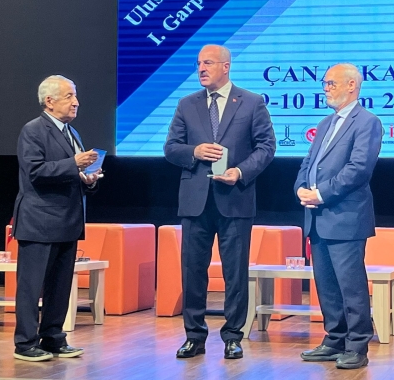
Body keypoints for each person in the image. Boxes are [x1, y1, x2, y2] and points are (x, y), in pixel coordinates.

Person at [164, 44, 276, 360]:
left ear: (225, 66)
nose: (201, 68)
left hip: (235, 199)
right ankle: (194, 336)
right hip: (195, 201)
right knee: (193, 271)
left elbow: (266, 147)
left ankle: (233, 336)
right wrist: (194, 152)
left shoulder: (251, 102)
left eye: (208, 63)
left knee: (235, 272)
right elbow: (171, 148)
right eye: (199, 63)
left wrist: (239, 172)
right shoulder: (187, 104)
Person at [294, 63, 382, 370]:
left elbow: (358, 169)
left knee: (350, 286)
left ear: (352, 86)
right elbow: (309, 163)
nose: (325, 88)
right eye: (325, 83)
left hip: (346, 218)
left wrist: (321, 193)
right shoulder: (325, 123)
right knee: (326, 285)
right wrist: (301, 188)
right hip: (317, 217)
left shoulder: (367, 122)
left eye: (331, 83)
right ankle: (335, 339)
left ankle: (357, 345)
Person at [12, 75, 101, 362]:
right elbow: (35, 171)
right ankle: (25, 343)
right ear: (49, 101)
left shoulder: (71, 133)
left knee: (60, 286)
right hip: (39, 221)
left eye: (75, 96)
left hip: (67, 220)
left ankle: (53, 338)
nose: (76, 102)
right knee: (31, 287)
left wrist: (87, 179)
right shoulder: (33, 130)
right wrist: (73, 163)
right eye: (69, 96)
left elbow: (70, 173)